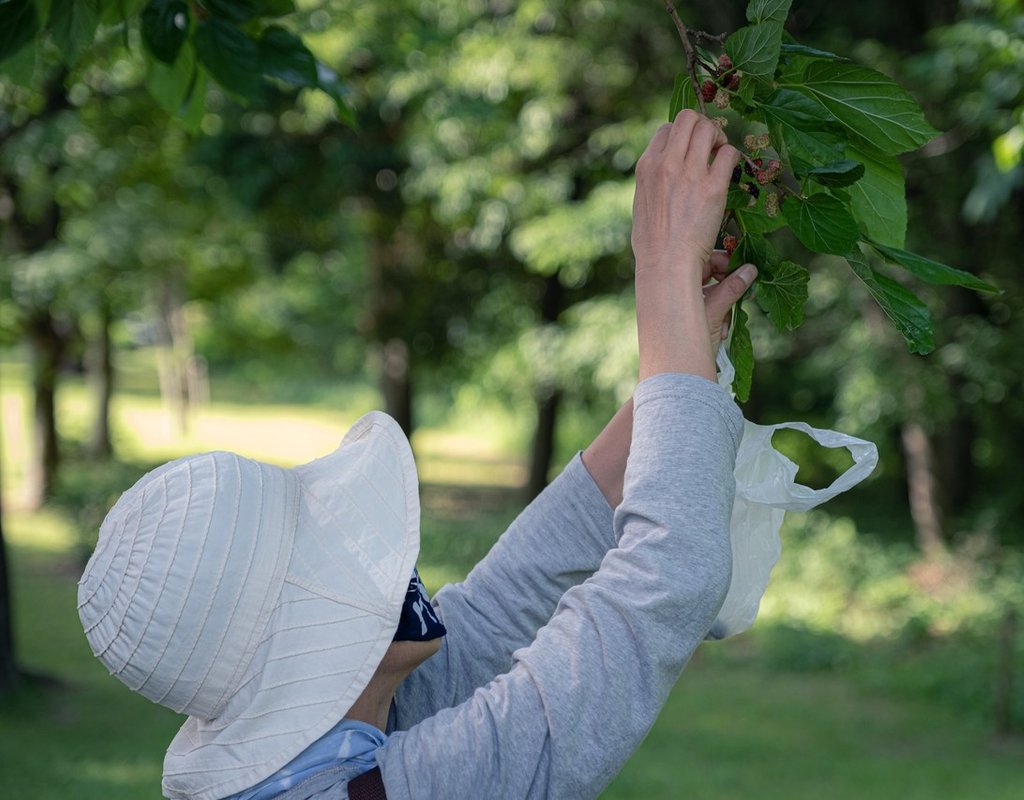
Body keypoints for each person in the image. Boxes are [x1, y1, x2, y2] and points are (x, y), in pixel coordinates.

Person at [78, 109, 758, 800]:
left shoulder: (336, 741)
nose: (383, 553)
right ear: (310, 644)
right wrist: (664, 268)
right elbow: (671, 572)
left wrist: (675, 355)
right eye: (335, 556)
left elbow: (503, 605)